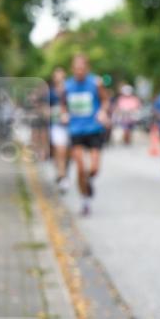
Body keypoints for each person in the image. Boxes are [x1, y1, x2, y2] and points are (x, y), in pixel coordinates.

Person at [62, 54, 111, 216]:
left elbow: (105, 100)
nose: (79, 71)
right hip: (75, 130)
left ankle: (89, 182)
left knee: (94, 169)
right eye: (76, 68)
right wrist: (64, 114)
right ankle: (85, 200)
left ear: (87, 68)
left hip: (93, 129)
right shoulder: (67, 86)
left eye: (82, 68)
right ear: (72, 69)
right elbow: (63, 104)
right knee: (81, 168)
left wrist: (103, 112)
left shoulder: (96, 83)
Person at [48, 67, 71, 192]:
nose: (59, 78)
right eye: (56, 76)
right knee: (59, 150)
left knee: (68, 153)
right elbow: (44, 108)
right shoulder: (50, 93)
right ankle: (62, 176)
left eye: (61, 76)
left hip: (71, 126)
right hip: (56, 126)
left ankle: (64, 173)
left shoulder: (70, 90)